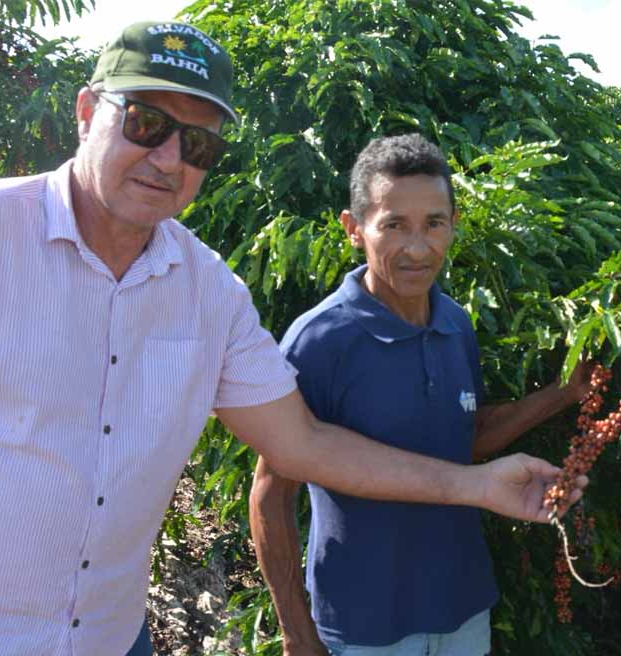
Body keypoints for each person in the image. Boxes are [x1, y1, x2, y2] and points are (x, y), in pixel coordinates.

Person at [0, 22, 585, 656]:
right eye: (148, 124)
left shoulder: (209, 292)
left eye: (198, 146)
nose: (168, 160)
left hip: (112, 639)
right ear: (88, 111)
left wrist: (480, 486)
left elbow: (304, 446)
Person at [250, 134, 592, 656]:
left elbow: (465, 439)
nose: (417, 247)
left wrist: (566, 393)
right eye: (393, 225)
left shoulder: (456, 323)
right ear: (354, 229)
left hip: (462, 610)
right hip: (364, 625)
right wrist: (297, 632)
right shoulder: (319, 341)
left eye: (434, 223)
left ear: (453, 225)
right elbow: (271, 495)